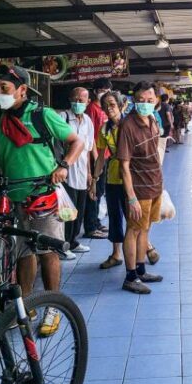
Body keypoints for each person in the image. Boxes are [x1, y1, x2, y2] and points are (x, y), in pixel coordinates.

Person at [0, 65, 84, 337]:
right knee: (23, 253)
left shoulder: (42, 115)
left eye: (5, 89)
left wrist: (64, 166)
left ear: (22, 90)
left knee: (48, 253)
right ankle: (26, 306)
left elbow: (76, 142)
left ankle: (53, 307)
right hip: (14, 197)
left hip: (44, 195)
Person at [117, 81, 164, 294]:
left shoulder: (153, 119)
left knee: (146, 228)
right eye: (141, 100)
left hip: (155, 185)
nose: (145, 104)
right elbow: (124, 166)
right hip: (139, 189)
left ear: (156, 101)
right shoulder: (128, 126)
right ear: (134, 101)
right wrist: (132, 198)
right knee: (134, 229)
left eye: (149, 100)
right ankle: (130, 277)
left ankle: (141, 269)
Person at [91, 91, 127, 269]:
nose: (108, 109)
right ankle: (116, 254)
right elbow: (100, 158)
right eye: (105, 106)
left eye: (112, 105)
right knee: (114, 217)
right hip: (113, 178)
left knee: (135, 217)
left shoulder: (132, 124)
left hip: (133, 179)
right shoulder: (104, 129)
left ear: (121, 105)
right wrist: (94, 179)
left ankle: (145, 248)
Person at [59, 86, 95, 260]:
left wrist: (89, 173)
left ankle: (73, 241)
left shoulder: (88, 120)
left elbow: (87, 149)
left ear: (88, 102)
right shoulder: (63, 118)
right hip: (65, 172)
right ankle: (63, 245)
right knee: (67, 211)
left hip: (81, 171)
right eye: (75, 99)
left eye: (81, 100)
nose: (77, 103)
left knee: (79, 209)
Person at [84, 78, 112, 240]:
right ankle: (90, 227)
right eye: (101, 89)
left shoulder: (104, 109)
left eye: (107, 90)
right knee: (93, 191)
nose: (104, 92)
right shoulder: (92, 109)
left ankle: (95, 222)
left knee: (100, 191)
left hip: (105, 155)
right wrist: (95, 158)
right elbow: (90, 136)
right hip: (97, 157)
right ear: (95, 91)